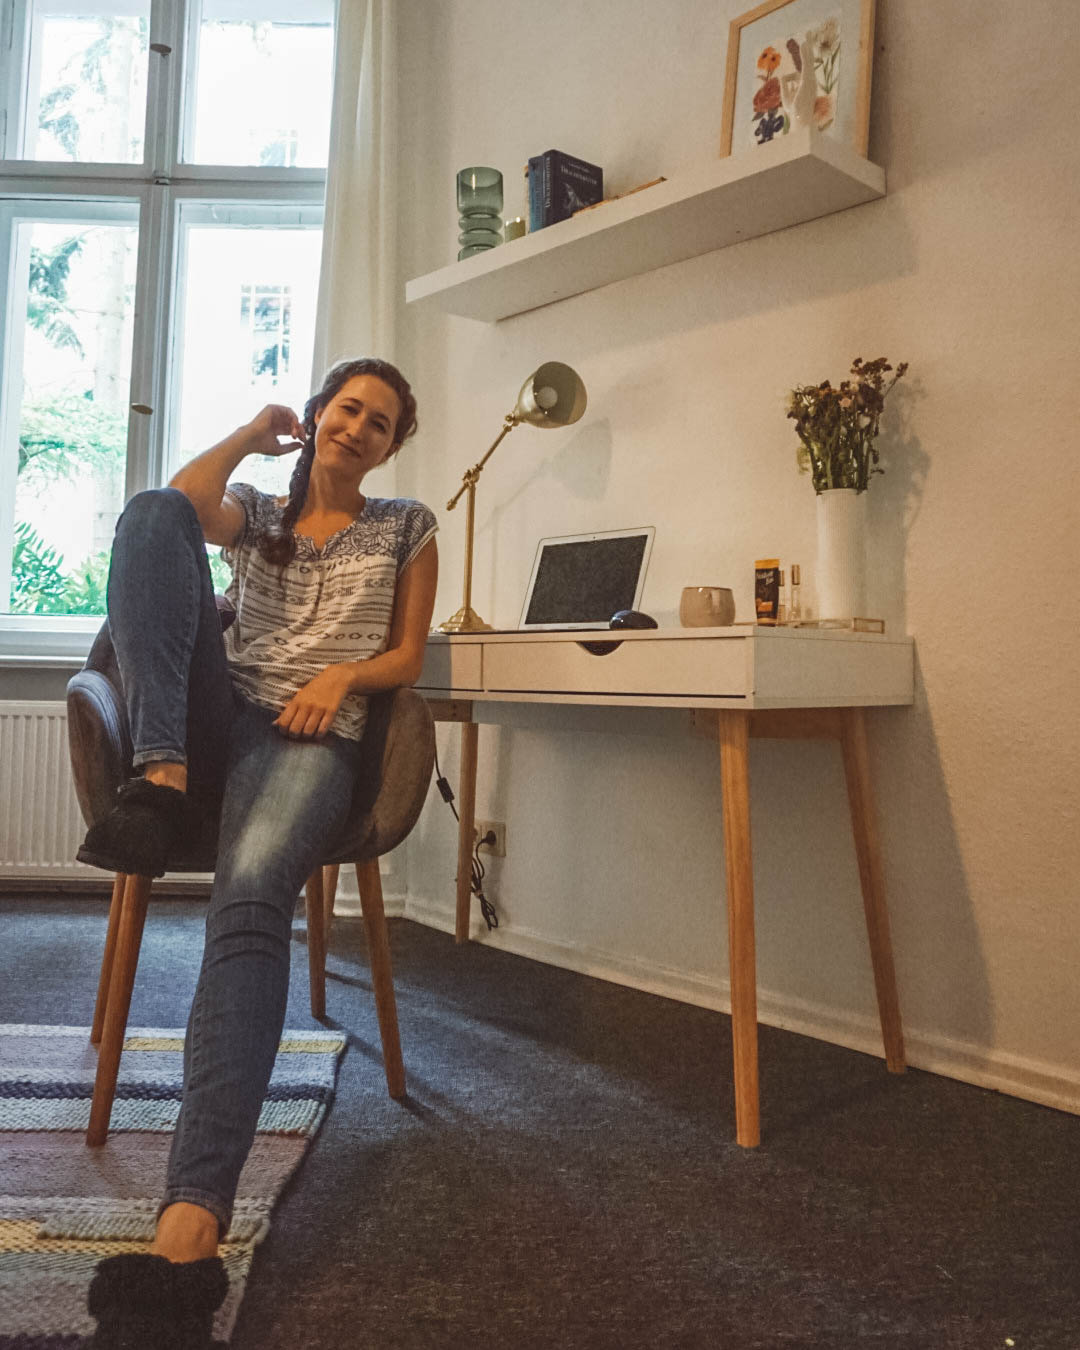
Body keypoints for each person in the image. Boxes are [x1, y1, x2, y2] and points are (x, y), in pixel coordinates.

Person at [80, 357, 438, 1349]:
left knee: (248, 909)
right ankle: (159, 778)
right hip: (214, 714)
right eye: (346, 408)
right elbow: (182, 518)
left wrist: (342, 677)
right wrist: (249, 433)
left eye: (380, 421)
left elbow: (409, 654)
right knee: (154, 508)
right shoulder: (258, 510)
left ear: (393, 445)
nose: (358, 427)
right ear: (318, 414)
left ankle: (190, 1230)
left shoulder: (405, 522)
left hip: (309, 737)